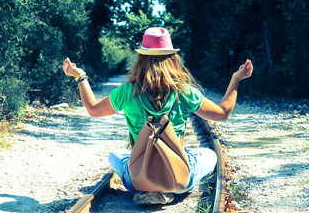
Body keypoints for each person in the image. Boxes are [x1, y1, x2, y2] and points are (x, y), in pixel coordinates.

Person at [63, 27, 253, 196]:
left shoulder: (127, 92)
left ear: (141, 59)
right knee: (210, 155)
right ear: (172, 59)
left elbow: (93, 110)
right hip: (178, 180)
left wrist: (80, 76)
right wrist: (236, 78)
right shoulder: (184, 92)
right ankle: (168, 188)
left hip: (138, 181)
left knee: (115, 155)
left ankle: (148, 190)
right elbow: (223, 113)